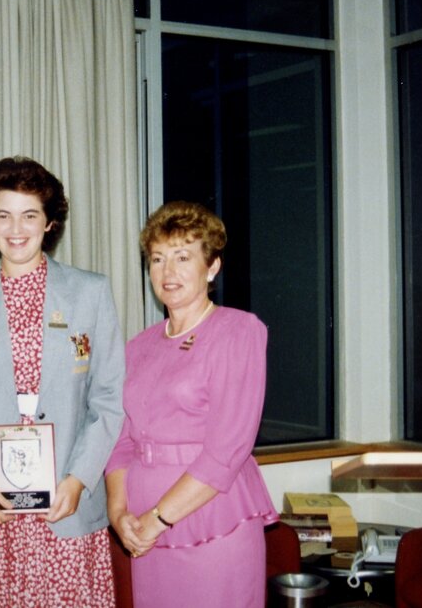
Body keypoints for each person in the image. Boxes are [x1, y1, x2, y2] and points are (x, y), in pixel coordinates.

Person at [0, 156, 126, 607]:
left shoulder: (91, 293)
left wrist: (79, 479)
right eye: (3, 215)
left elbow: (108, 400)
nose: (15, 228)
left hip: (65, 506)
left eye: (29, 215)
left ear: (50, 221)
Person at [104, 200, 278, 608]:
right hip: (144, 526)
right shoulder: (138, 346)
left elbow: (227, 450)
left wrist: (158, 519)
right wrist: (119, 513)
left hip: (211, 517)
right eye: (158, 259)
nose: (168, 272)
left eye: (183, 257)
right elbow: (121, 440)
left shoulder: (238, 331)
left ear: (212, 266)